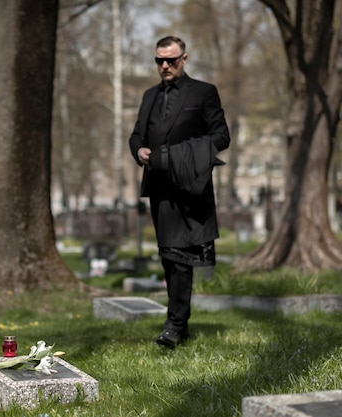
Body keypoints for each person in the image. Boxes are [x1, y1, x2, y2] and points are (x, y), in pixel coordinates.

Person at [129, 36, 230, 348]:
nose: (164, 66)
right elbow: (136, 134)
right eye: (159, 60)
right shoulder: (149, 96)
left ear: (184, 59)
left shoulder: (203, 92)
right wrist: (139, 151)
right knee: (168, 256)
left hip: (189, 185)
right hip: (159, 187)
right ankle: (179, 323)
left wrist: (180, 156)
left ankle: (174, 325)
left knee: (181, 256)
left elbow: (221, 136)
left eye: (171, 60)